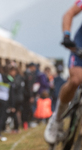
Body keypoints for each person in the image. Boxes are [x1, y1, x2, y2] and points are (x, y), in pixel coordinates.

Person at [44, 1, 82, 144]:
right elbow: (69, 13)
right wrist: (66, 36)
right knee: (76, 80)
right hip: (80, 44)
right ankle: (57, 119)